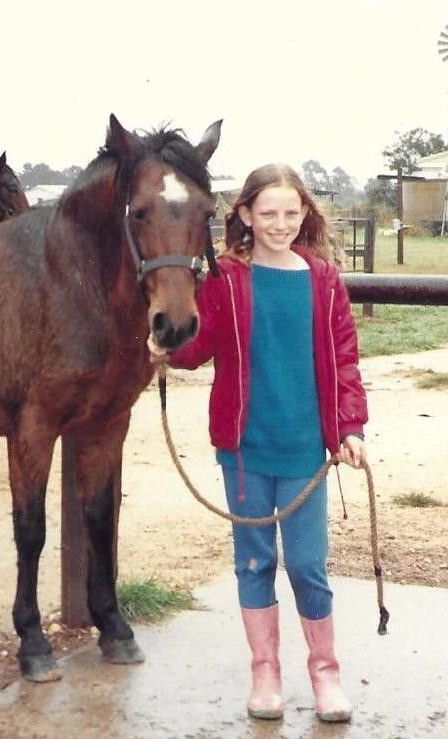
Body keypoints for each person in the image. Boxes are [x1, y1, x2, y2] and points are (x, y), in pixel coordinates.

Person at [149, 163, 368, 723]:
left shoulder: (323, 280)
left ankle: (326, 674)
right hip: (244, 451)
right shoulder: (227, 277)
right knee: (253, 561)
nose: (280, 223)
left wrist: (349, 428)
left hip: (304, 452)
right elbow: (204, 343)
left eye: (290, 212)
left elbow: (344, 359)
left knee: (305, 564)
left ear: (305, 214)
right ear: (245, 215)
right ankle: (265, 671)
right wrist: (167, 349)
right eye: (267, 212)